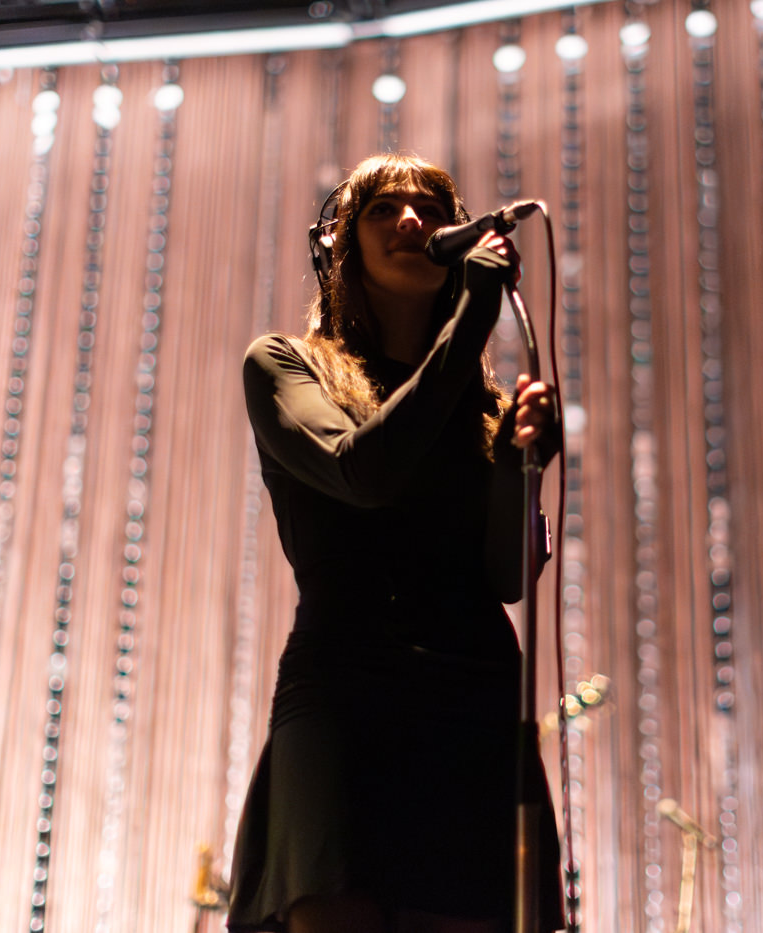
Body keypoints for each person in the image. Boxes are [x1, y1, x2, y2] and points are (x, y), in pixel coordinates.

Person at [228, 154, 565, 933]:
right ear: (342, 245)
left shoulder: (487, 405)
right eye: (384, 209)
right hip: (346, 688)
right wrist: (473, 314)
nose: (412, 221)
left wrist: (526, 466)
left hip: (474, 693)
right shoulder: (285, 365)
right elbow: (364, 473)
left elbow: (508, 577)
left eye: (429, 208)